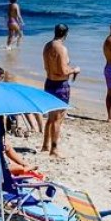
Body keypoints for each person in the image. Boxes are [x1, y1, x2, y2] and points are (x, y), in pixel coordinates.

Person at [40, 24, 77, 157]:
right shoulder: (61, 48)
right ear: (66, 34)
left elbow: (47, 66)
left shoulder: (47, 46)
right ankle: (54, 149)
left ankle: (45, 145)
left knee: (51, 117)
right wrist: (74, 70)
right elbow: (63, 71)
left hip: (49, 82)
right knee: (58, 118)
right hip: (60, 85)